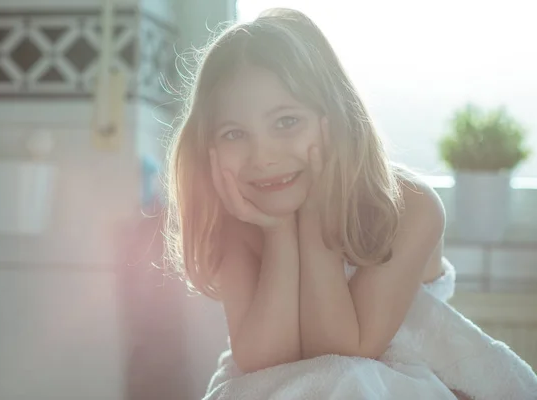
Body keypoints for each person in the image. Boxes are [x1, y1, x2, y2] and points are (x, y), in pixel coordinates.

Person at [163, 8, 537, 400]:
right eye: (235, 133)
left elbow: (341, 355)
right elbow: (265, 362)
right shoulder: (240, 219)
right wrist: (278, 234)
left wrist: (314, 219)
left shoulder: (409, 207)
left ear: (335, 117)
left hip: (396, 373)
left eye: (286, 122)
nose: (263, 156)